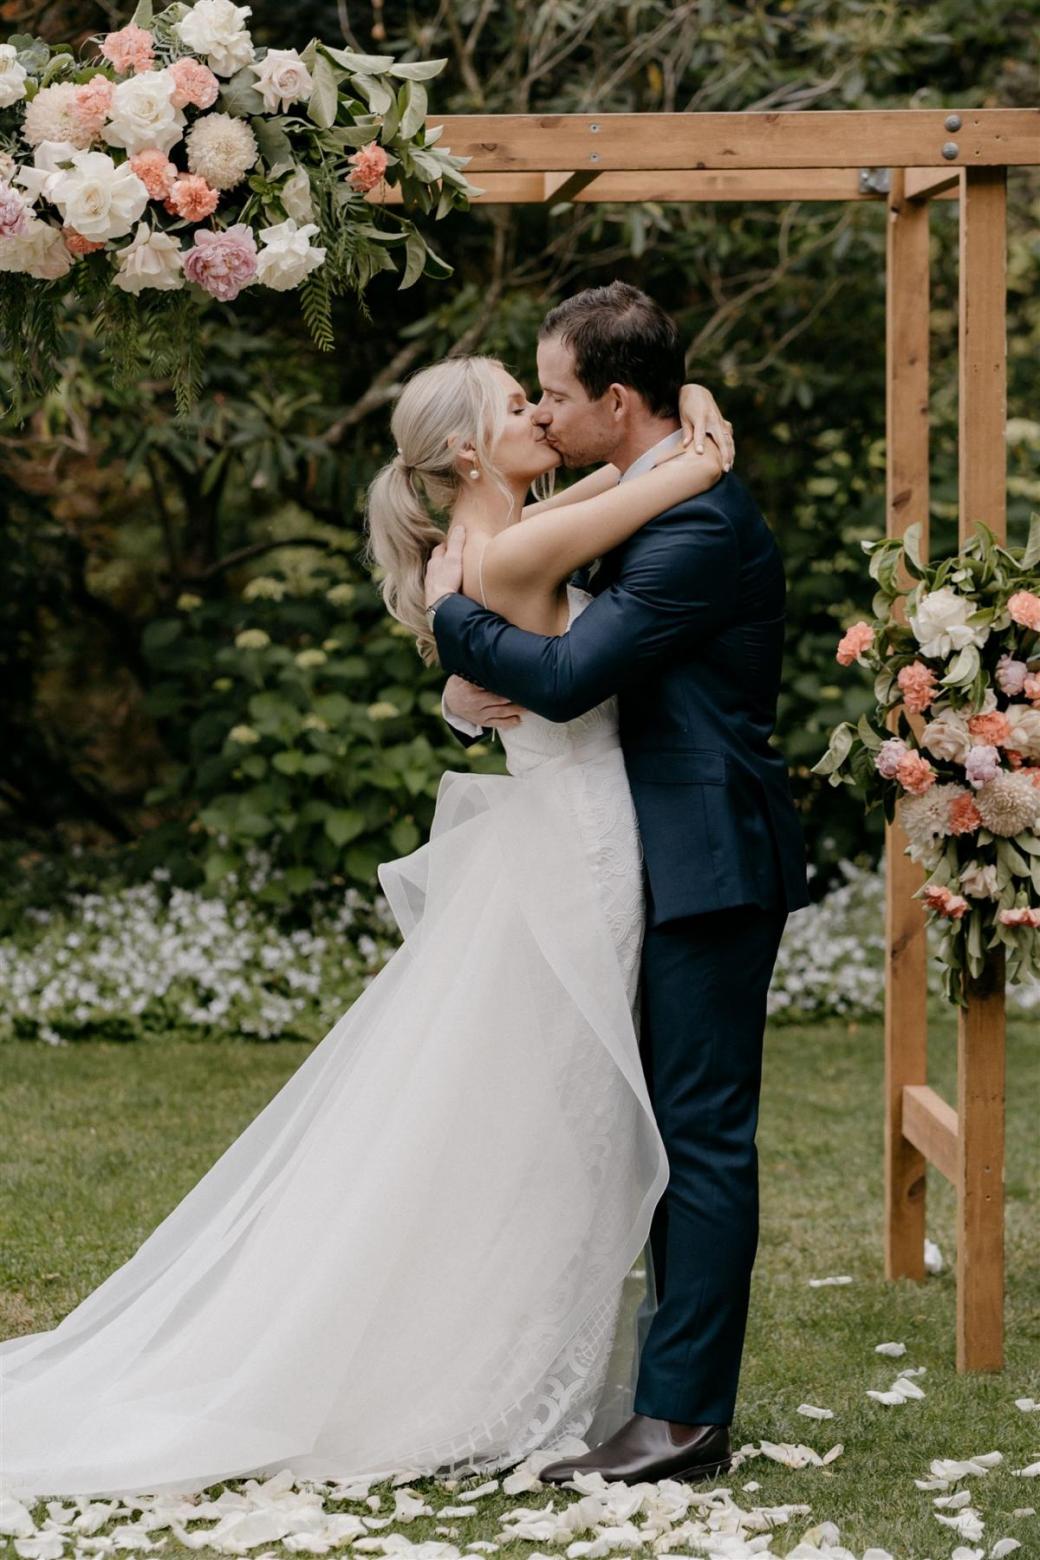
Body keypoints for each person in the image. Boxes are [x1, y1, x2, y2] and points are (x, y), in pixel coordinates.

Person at [0, 352, 732, 1501]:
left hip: (563, 832)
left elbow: (614, 489)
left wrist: (679, 418)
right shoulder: (508, 548)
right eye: (514, 404)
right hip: (580, 845)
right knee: (564, 1116)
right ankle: (482, 1366)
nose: (539, 411)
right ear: (464, 454)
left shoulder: (493, 535)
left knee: (537, 1112)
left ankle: (512, 1344)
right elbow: (656, 488)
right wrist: (699, 447)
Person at [426, 282, 811, 1487]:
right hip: (649, 845)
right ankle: (649, 1388)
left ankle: (684, 1417)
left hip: (704, 859)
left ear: (614, 401)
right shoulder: (646, 497)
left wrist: (451, 622)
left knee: (698, 1137)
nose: (540, 410)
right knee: (650, 1128)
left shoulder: (693, 526)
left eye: (551, 392)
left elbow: (570, 671)